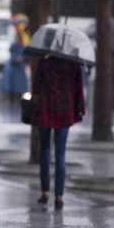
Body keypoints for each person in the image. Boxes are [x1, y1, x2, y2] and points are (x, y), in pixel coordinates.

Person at [31, 55, 84, 210]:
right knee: (60, 154)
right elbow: (78, 90)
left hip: (46, 110)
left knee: (45, 151)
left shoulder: (44, 62)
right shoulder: (73, 65)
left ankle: (45, 191)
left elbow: (36, 87)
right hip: (65, 111)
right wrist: (79, 109)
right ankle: (59, 196)